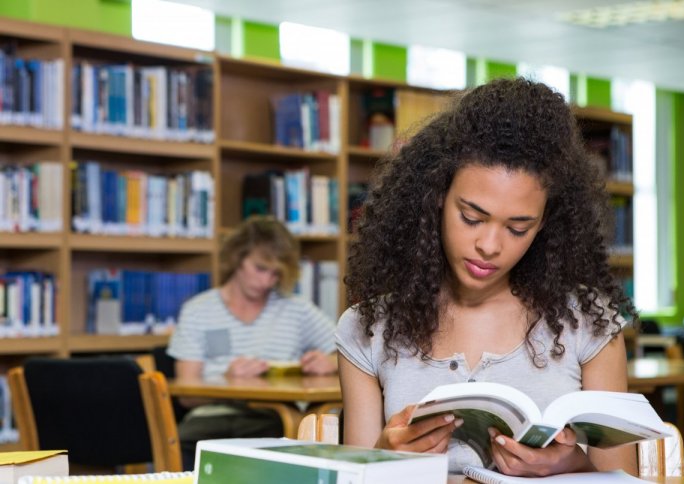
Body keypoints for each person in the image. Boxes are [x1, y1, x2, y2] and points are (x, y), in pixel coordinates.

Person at [336, 77, 639, 477]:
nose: (490, 245)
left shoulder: (589, 324)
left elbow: (624, 479)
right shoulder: (368, 328)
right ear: (436, 197)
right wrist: (384, 455)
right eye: (471, 217)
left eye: (518, 228)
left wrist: (574, 463)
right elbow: (355, 478)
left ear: (545, 223)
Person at [167, 215, 338, 469]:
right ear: (237, 258)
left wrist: (331, 362)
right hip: (213, 416)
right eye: (260, 268)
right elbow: (187, 395)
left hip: (276, 416)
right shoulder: (198, 310)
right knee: (191, 442)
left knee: (283, 439)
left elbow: (351, 352)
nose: (266, 281)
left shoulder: (296, 309)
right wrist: (227, 379)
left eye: (275, 274)